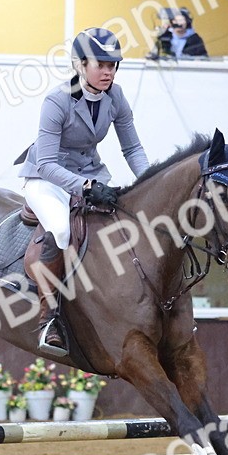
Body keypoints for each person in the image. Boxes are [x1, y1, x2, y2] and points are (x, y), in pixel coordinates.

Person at [17, 27, 150, 355]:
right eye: (100, 64)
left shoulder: (115, 97)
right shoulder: (57, 101)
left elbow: (132, 149)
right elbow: (47, 163)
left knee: (121, 221)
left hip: (91, 172)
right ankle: (50, 318)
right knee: (61, 229)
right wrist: (86, 186)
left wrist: (150, 180)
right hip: (45, 178)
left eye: (113, 65)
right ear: (79, 65)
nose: (108, 71)